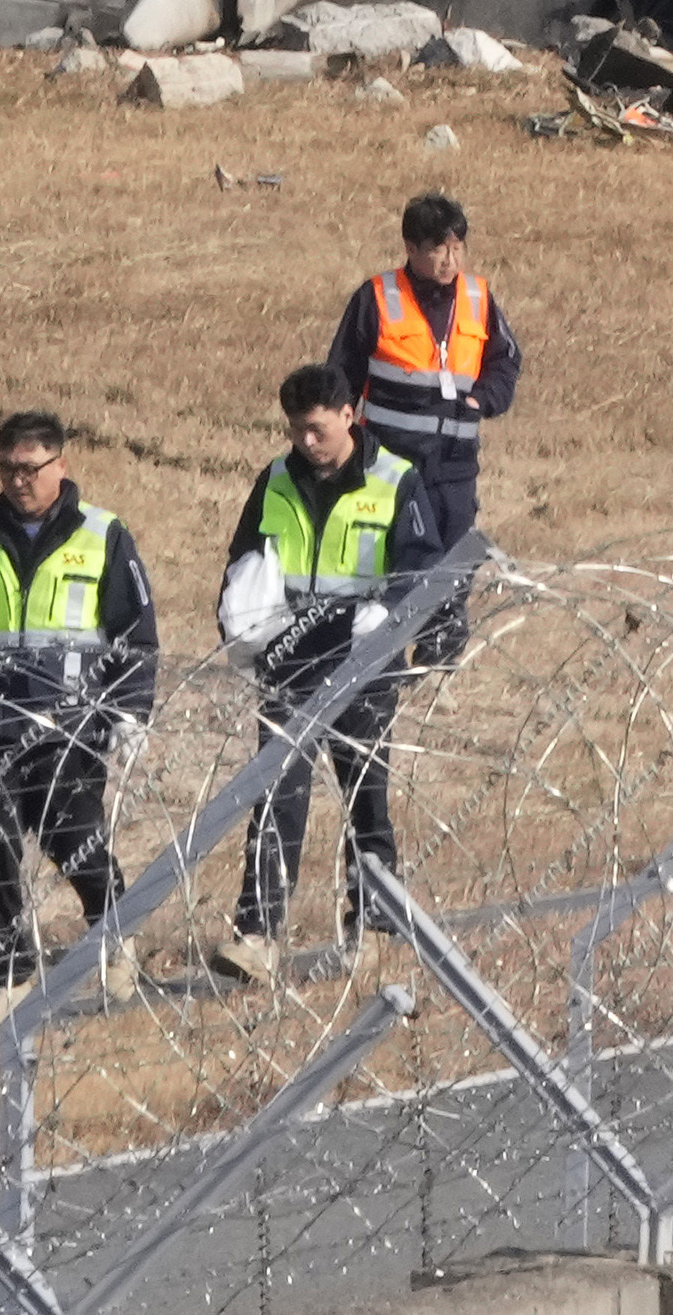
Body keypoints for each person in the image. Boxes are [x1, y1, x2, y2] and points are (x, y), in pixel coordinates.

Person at [208, 366, 449, 981]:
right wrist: (238, 611)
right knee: (276, 791)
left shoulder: (395, 480)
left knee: (364, 794)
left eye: (315, 429)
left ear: (348, 416)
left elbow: (422, 569)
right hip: (290, 657)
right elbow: (246, 556)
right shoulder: (277, 479)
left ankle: (372, 923)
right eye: (295, 431)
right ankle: (258, 932)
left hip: (365, 659)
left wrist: (389, 618)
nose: (305, 443)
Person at [0, 411, 157, 1008]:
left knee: (73, 837)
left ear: (61, 464)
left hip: (72, 723)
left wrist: (131, 710)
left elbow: (134, 633)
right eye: (5, 468)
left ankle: (113, 936)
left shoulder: (103, 536)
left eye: (29, 468)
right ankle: (8, 979)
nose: (16, 481)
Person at [328, 192, 517, 649]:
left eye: (457, 248)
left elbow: (505, 361)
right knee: (400, 557)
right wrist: (339, 438)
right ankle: (384, 647)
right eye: (438, 248)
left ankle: (441, 654)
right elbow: (342, 374)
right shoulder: (376, 297)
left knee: (453, 558)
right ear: (411, 249)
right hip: (392, 459)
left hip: (455, 461)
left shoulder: (478, 297)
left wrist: (484, 400)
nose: (449, 260)